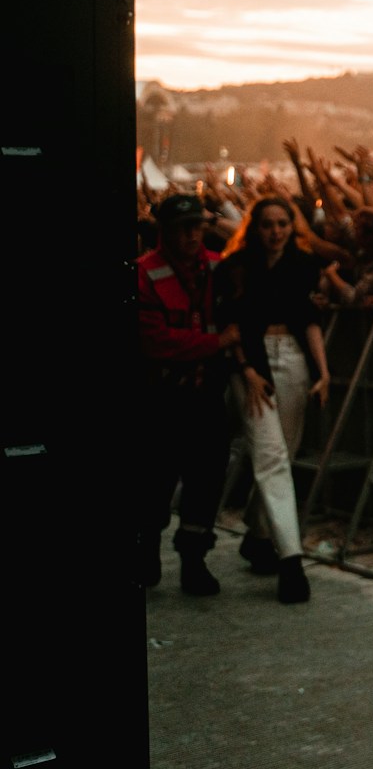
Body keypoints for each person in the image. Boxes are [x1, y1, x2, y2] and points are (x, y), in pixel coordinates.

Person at [215, 196, 328, 603]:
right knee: (271, 457)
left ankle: (259, 531)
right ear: (255, 227)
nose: (276, 231)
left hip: (294, 359)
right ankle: (292, 561)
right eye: (268, 224)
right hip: (252, 364)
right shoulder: (235, 268)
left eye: (283, 223)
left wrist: (324, 371)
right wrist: (246, 370)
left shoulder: (303, 264)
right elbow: (231, 321)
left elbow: (309, 320)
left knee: (286, 452)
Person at [136, 195, 235, 596]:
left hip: (207, 396)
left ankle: (194, 560)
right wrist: (215, 343)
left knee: (206, 479)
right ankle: (147, 555)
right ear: (166, 231)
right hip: (162, 399)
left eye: (198, 226)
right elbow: (155, 342)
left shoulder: (218, 267)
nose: (193, 234)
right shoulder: (144, 273)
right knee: (155, 482)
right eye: (184, 227)